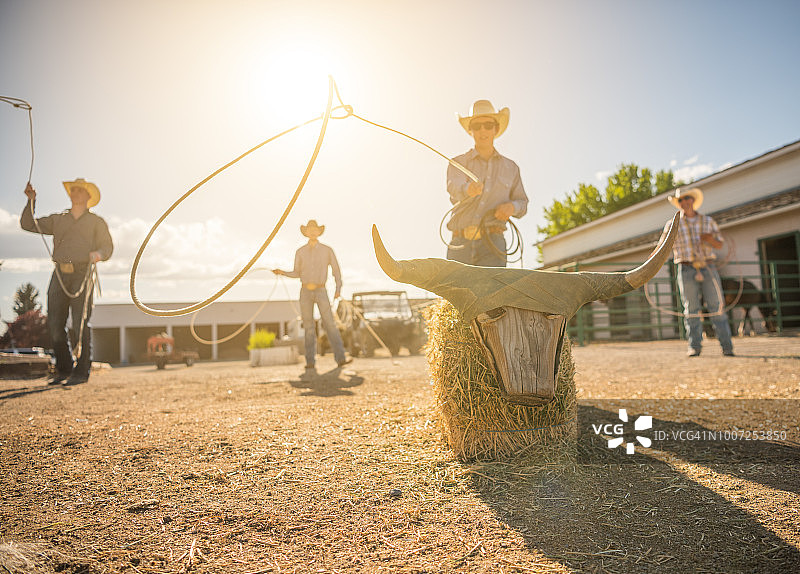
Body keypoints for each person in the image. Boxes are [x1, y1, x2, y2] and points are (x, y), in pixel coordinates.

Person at [20, 178, 114, 385]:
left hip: (83, 273)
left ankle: (81, 372)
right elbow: (28, 224)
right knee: (54, 323)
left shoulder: (96, 222)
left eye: (80, 190)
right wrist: (31, 201)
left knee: (81, 322)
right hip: (60, 274)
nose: (75, 192)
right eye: (73, 189)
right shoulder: (58, 219)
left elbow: (107, 248)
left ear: (88, 197)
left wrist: (98, 254)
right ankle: (63, 369)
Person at [446, 99, 529, 267]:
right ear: (470, 130)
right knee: (453, 293)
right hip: (459, 243)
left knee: (493, 293)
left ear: (496, 129)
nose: (482, 130)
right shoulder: (456, 163)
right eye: (477, 126)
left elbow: (523, 203)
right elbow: (453, 187)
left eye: (488, 125)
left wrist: (512, 208)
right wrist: (467, 189)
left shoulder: (512, 168)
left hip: (494, 244)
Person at [660, 187, 733, 357]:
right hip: (685, 267)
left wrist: (709, 239)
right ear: (678, 203)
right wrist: (652, 259)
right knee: (691, 308)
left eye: (687, 199)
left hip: (707, 265)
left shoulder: (707, 221)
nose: (684, 202)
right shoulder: (672, 225)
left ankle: (727, 346)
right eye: (680, 200)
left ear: (692, 200)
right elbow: (663, 246)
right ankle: (694, 346)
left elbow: (719, 244)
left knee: (716, 306)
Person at [273, 220, 352, 370]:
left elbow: (336, 270)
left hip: (322, 290)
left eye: (315, 229)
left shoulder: (327, 250)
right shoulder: (300, 252)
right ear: (306, 232)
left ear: (319, 231)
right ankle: (310, 361)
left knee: (330, 324)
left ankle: (340, 358)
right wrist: (282, 272)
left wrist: (338, 288)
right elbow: (296, 272)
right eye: (310, 230)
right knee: (308, 327)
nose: (312, 232)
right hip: (305, 291)